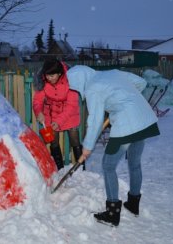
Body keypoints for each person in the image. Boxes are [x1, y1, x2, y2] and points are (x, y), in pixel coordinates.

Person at [66, 65, 160, 227]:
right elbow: (141, 83)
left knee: (108, 166)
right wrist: (123, 99)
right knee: (134, 162)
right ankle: (133, 203)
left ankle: (112, 213)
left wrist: (87, 147)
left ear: (79, 81)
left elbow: (95, 121)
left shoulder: (93, 88)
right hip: (144, 119)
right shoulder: (112, 73)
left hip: (127, 123)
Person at [33, 59, 84, 171]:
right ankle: (59, 168)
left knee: (74, 138)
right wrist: (39, 112)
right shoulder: (43, 81)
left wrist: (59, 121)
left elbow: (71, 105)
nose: (49, 78)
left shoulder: (71, 81)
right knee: (53, 140)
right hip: (51, 114)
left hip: (69, 113)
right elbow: (37, 101)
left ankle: (81, 169)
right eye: (47, 75)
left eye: (52, 75)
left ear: (60, 73)